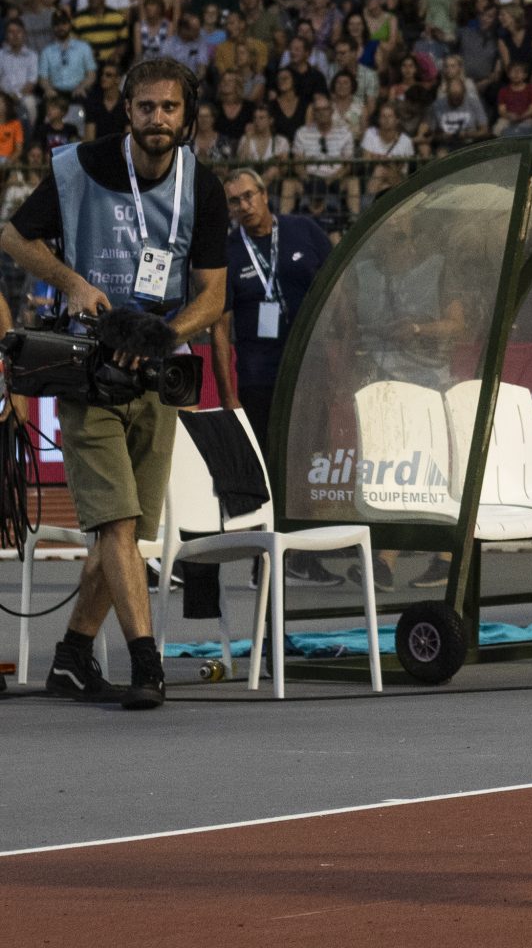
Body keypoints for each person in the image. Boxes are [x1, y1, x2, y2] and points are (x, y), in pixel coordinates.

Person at [0, 58, 228, 709]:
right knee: (120, 524)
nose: (158, 120)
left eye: (170, 109)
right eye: (147, 107)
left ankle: (71, 657)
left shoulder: (201, 186)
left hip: (157, 372)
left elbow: (211, 297)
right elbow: (14, 236)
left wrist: (162, 334)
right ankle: (145, 662)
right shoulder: (78, 167)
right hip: (87, 367)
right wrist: (72, 282)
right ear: (126, 109)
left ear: (187, 116)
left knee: (122, 532)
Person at [210, 168, 338, 586]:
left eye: (249, 196)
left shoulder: (305, 232)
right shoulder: (227, 252)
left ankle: (300, 556)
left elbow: (340, 292)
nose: (243, 206)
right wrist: (229, 396)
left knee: (306, 466)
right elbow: (220, 328)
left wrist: (343, 361)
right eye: (235, 201)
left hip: (310, 372)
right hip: (258, 377)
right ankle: (263, 563)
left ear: (266, 196)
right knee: (266, 471)